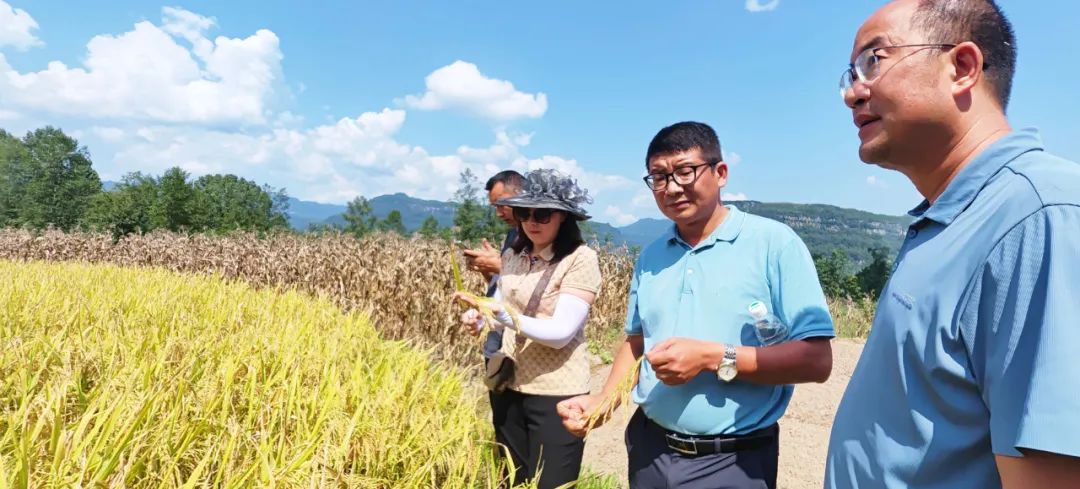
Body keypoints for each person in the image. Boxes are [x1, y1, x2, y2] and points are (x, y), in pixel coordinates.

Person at [826, 2, 1080, 488]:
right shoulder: (953, 216)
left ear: (961, 68)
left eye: (873, 60)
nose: (852, 92)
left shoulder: (1040, 216)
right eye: (851, 72)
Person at [558, 121, 835, 489]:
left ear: (720, 173)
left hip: (734, 459)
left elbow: (817, 361)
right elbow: (637, 340)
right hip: (649, 449)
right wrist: (602, 403)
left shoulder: (774, 244)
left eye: (685, 172)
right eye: (659, 176)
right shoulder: (652, 256)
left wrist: (713, 357)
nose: (672, 188)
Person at [455, 168, 603, 489]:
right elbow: (500, 309)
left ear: (563, 217)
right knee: (512, 480)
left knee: (552, 483)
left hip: (556, 393)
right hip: (509, 384)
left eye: (543, 213)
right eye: (524, 212)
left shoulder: (580, 259)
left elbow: (561, 332)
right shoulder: (513, 255)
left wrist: (501, 315)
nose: (532, 221)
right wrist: (480, 319)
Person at [464, 170, 525, 360]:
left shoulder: (538, 238)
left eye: (502, 205)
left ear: (521, 195)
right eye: (494, 207)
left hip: (518, 341)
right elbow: (505, 285)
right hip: (496, 337)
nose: (498, 213)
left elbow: (539, 277)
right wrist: (488, 270)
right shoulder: (513, 234)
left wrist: (499, 265)